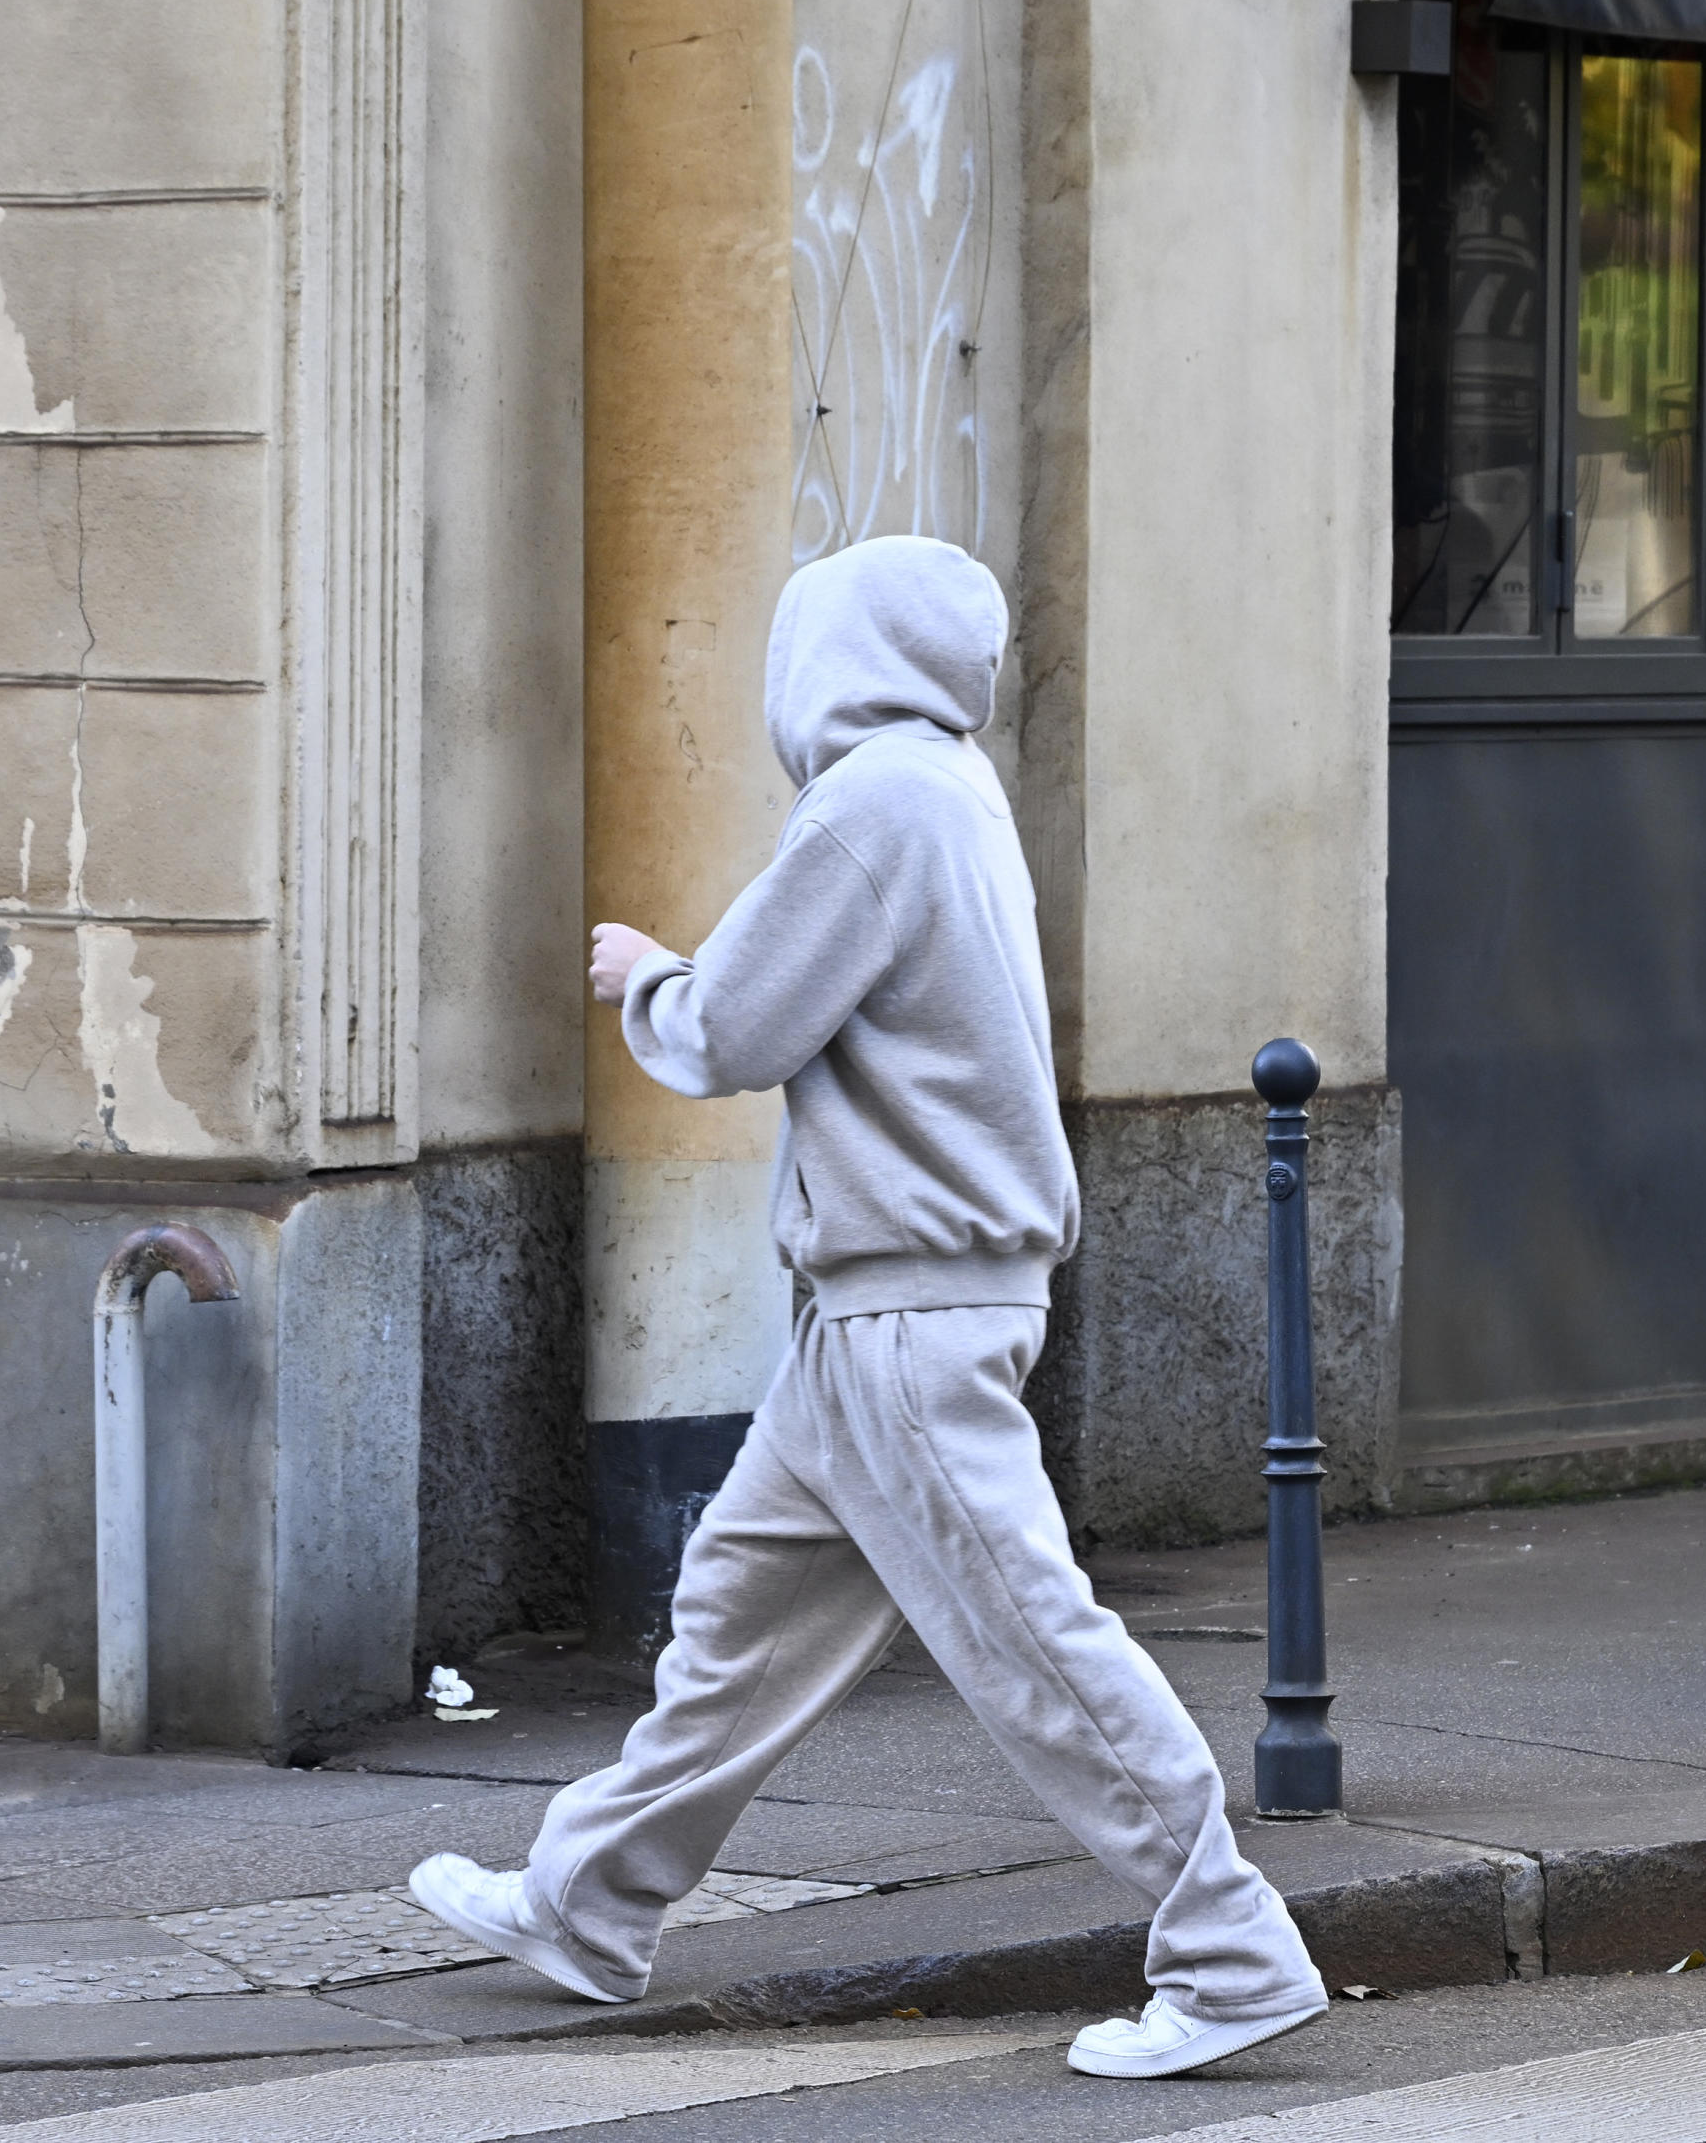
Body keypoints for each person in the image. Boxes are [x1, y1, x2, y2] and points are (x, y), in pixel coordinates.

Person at [406, 534, 1328, 2079]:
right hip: (883, 1314)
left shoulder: (872, 805)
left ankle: (1230, 1954)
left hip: (909, 1317)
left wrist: (649, 974)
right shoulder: (953, 791)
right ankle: (587, 1906)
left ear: (827, 660)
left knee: (1036, 1645)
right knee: (737, 1623)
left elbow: (736, 1028)